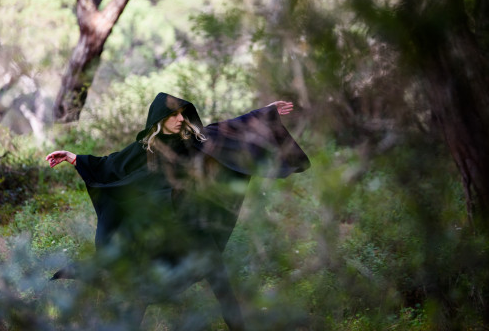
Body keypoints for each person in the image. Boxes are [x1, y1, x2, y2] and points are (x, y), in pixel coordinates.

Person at [46, 92, 310, 331]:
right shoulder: (144, 149)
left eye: (182, 114)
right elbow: (109, 166)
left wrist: (265, 113)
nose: (181, 119)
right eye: (174, 115)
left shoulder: (194, 141)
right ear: (160, 119)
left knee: (220, 279)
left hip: (193, 226)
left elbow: (231, 130)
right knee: (143, 287)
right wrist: (73, 157)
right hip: (159, 229)